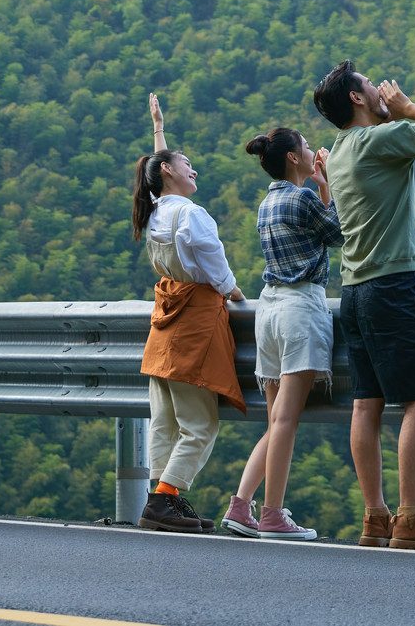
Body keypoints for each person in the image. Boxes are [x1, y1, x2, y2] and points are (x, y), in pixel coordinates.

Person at [311, 58, 415, 551]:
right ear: (357, 99)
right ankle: (412, 517)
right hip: (392, 286)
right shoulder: (379, 140)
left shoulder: (338, 153)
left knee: (366, 403)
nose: (381, 91)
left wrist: (391, 114)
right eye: (371, 88)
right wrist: (405, 107)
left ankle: (375, 516)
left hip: (353, 293)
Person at [219, 127, 342, 541]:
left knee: (275, 420)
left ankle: (241, 504)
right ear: (293, 158)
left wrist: (319, 186)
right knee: (287, 420)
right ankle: (272, 514)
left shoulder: (267, 202)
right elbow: (338, 234)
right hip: (298, 309)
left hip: (267, 311)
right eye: (306, 147)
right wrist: (328, 185)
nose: (311, 151)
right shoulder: (303, 197)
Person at [133, 92, 246, 533]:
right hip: (195, 322)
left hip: (164, 325)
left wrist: (159, 127)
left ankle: (160, 498)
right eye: (186, 165)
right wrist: (233, 290)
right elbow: (213, 262)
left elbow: (156, 171)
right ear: (167, 171)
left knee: (164, 423)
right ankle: (165, 499)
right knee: (200, 424)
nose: (193, 170)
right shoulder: (192, 215)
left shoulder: (156, 211)